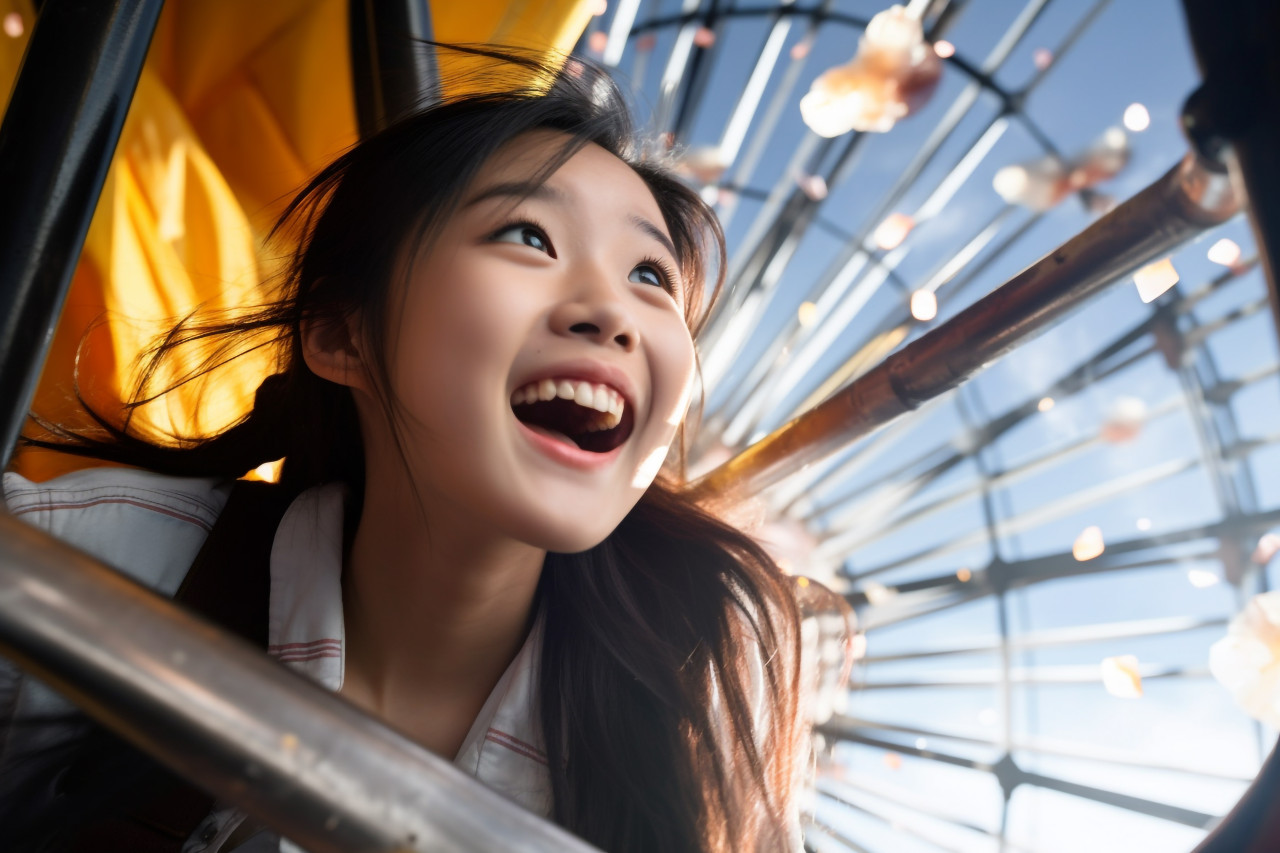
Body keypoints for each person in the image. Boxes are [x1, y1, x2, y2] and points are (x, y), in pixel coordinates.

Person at [1, 46, 816, 853]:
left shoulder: (691, 720)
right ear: (340, 336)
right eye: (529, 235)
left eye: (651, 277)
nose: (612, 312)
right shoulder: (101, 564)